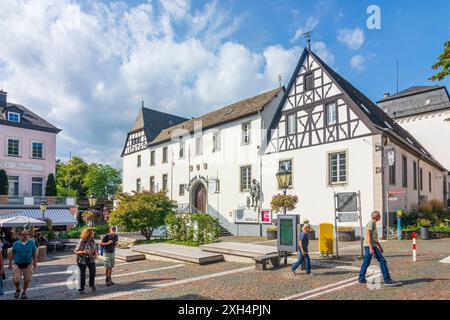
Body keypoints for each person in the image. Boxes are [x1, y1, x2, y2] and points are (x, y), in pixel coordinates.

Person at [359, 211, 401, 286]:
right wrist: (371, 248)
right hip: (370, 246)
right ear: (376, 217)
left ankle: (361, 278)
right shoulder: (371, 223)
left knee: (367, 262)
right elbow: (368, 236)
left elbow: (374, 238)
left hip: (372, 245)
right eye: (379, 216)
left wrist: (380, 247)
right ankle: (387, 280)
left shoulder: (373, 223)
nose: (380, 217)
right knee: (382, 261)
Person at [8, 230, 37, 299]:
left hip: (28, 263)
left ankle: (24, 292)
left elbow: (34, 253)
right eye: (23, 234)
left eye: (27, 234)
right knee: (16, 278)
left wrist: (35, 262)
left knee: (27, 278)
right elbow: (12, 253)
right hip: (17, 263)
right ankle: (18, 289)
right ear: (20, 236)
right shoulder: (15, 243)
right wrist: (9, 263)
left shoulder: (32, 243)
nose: (25, 236)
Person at [74, 228, 97, 294]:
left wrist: (95, 254)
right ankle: (81, 289)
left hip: (91, 259)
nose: (93, 233)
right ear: (88, 233)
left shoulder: (92, 240)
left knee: (93, 272)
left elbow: (95, 249)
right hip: (82, 260)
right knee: (82, 275)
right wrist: (84, 251)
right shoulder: (82, 240)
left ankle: (91, 284)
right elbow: (76, 251)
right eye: (92, 232)